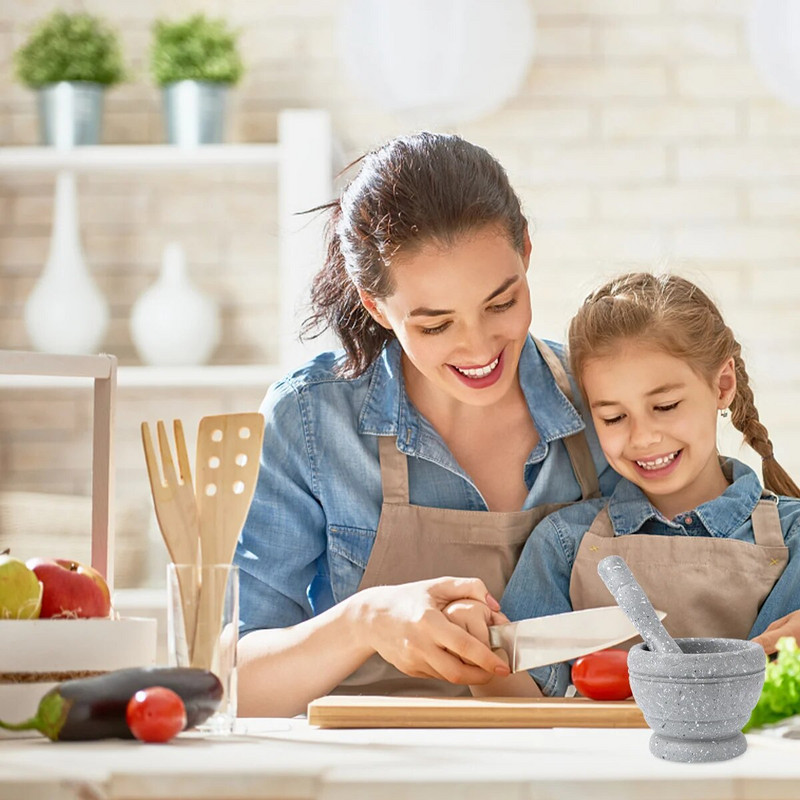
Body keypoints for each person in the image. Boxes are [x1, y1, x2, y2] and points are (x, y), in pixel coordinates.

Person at [233, 132, 620, 717]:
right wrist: (364, 621)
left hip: (569, 766)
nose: (479, 346)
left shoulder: (606, 399)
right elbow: (231, 683)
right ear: (376, 307)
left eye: (501, 303)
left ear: (527, 255)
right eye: (436, 325)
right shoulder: (310, 420)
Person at [447, 272, 800, 697]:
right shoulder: (563, 543)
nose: (643, 437)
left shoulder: (792, 536)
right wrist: (479, 655)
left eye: (665, 406)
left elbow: (767, 691)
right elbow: (526, 708)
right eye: (613, 417)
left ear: (722, 385)